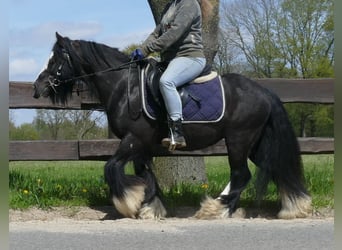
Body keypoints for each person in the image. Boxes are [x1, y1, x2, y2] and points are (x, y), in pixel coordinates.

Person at [131, 0, 212, 150]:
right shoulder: (171, 6)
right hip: (171, 60)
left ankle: (177, 133)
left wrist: (147, 49)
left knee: (167, 81)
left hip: (190, 57)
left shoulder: (189, 4)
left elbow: (174, 33)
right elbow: (157, 33)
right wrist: (141, 49)